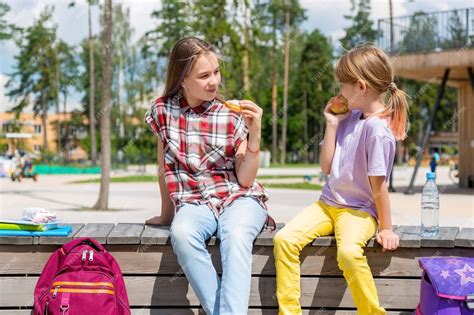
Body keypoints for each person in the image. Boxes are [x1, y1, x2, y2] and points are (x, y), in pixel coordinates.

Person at [273, 45, 409, 315]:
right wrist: (332, 124)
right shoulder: (349, 118)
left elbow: (379, 188)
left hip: (358, 212)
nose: (339, 92)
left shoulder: (378, 131)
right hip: (327, 205)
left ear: (359, 86)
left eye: (342, 85)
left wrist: (386, 228)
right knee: (283, 240)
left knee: (348, 252)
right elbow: (326, 167)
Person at [144, 37, 273, 315]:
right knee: (181, 232)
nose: (214, 81)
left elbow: (246, 179)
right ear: (182, 80)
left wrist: (255, 134)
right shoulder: (163, 111)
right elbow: (163, 167)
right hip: (194, 202)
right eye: (204, 75)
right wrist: (167, 215)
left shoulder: (230, 115)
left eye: (216, 72)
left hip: (238, 197)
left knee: (236, 234)